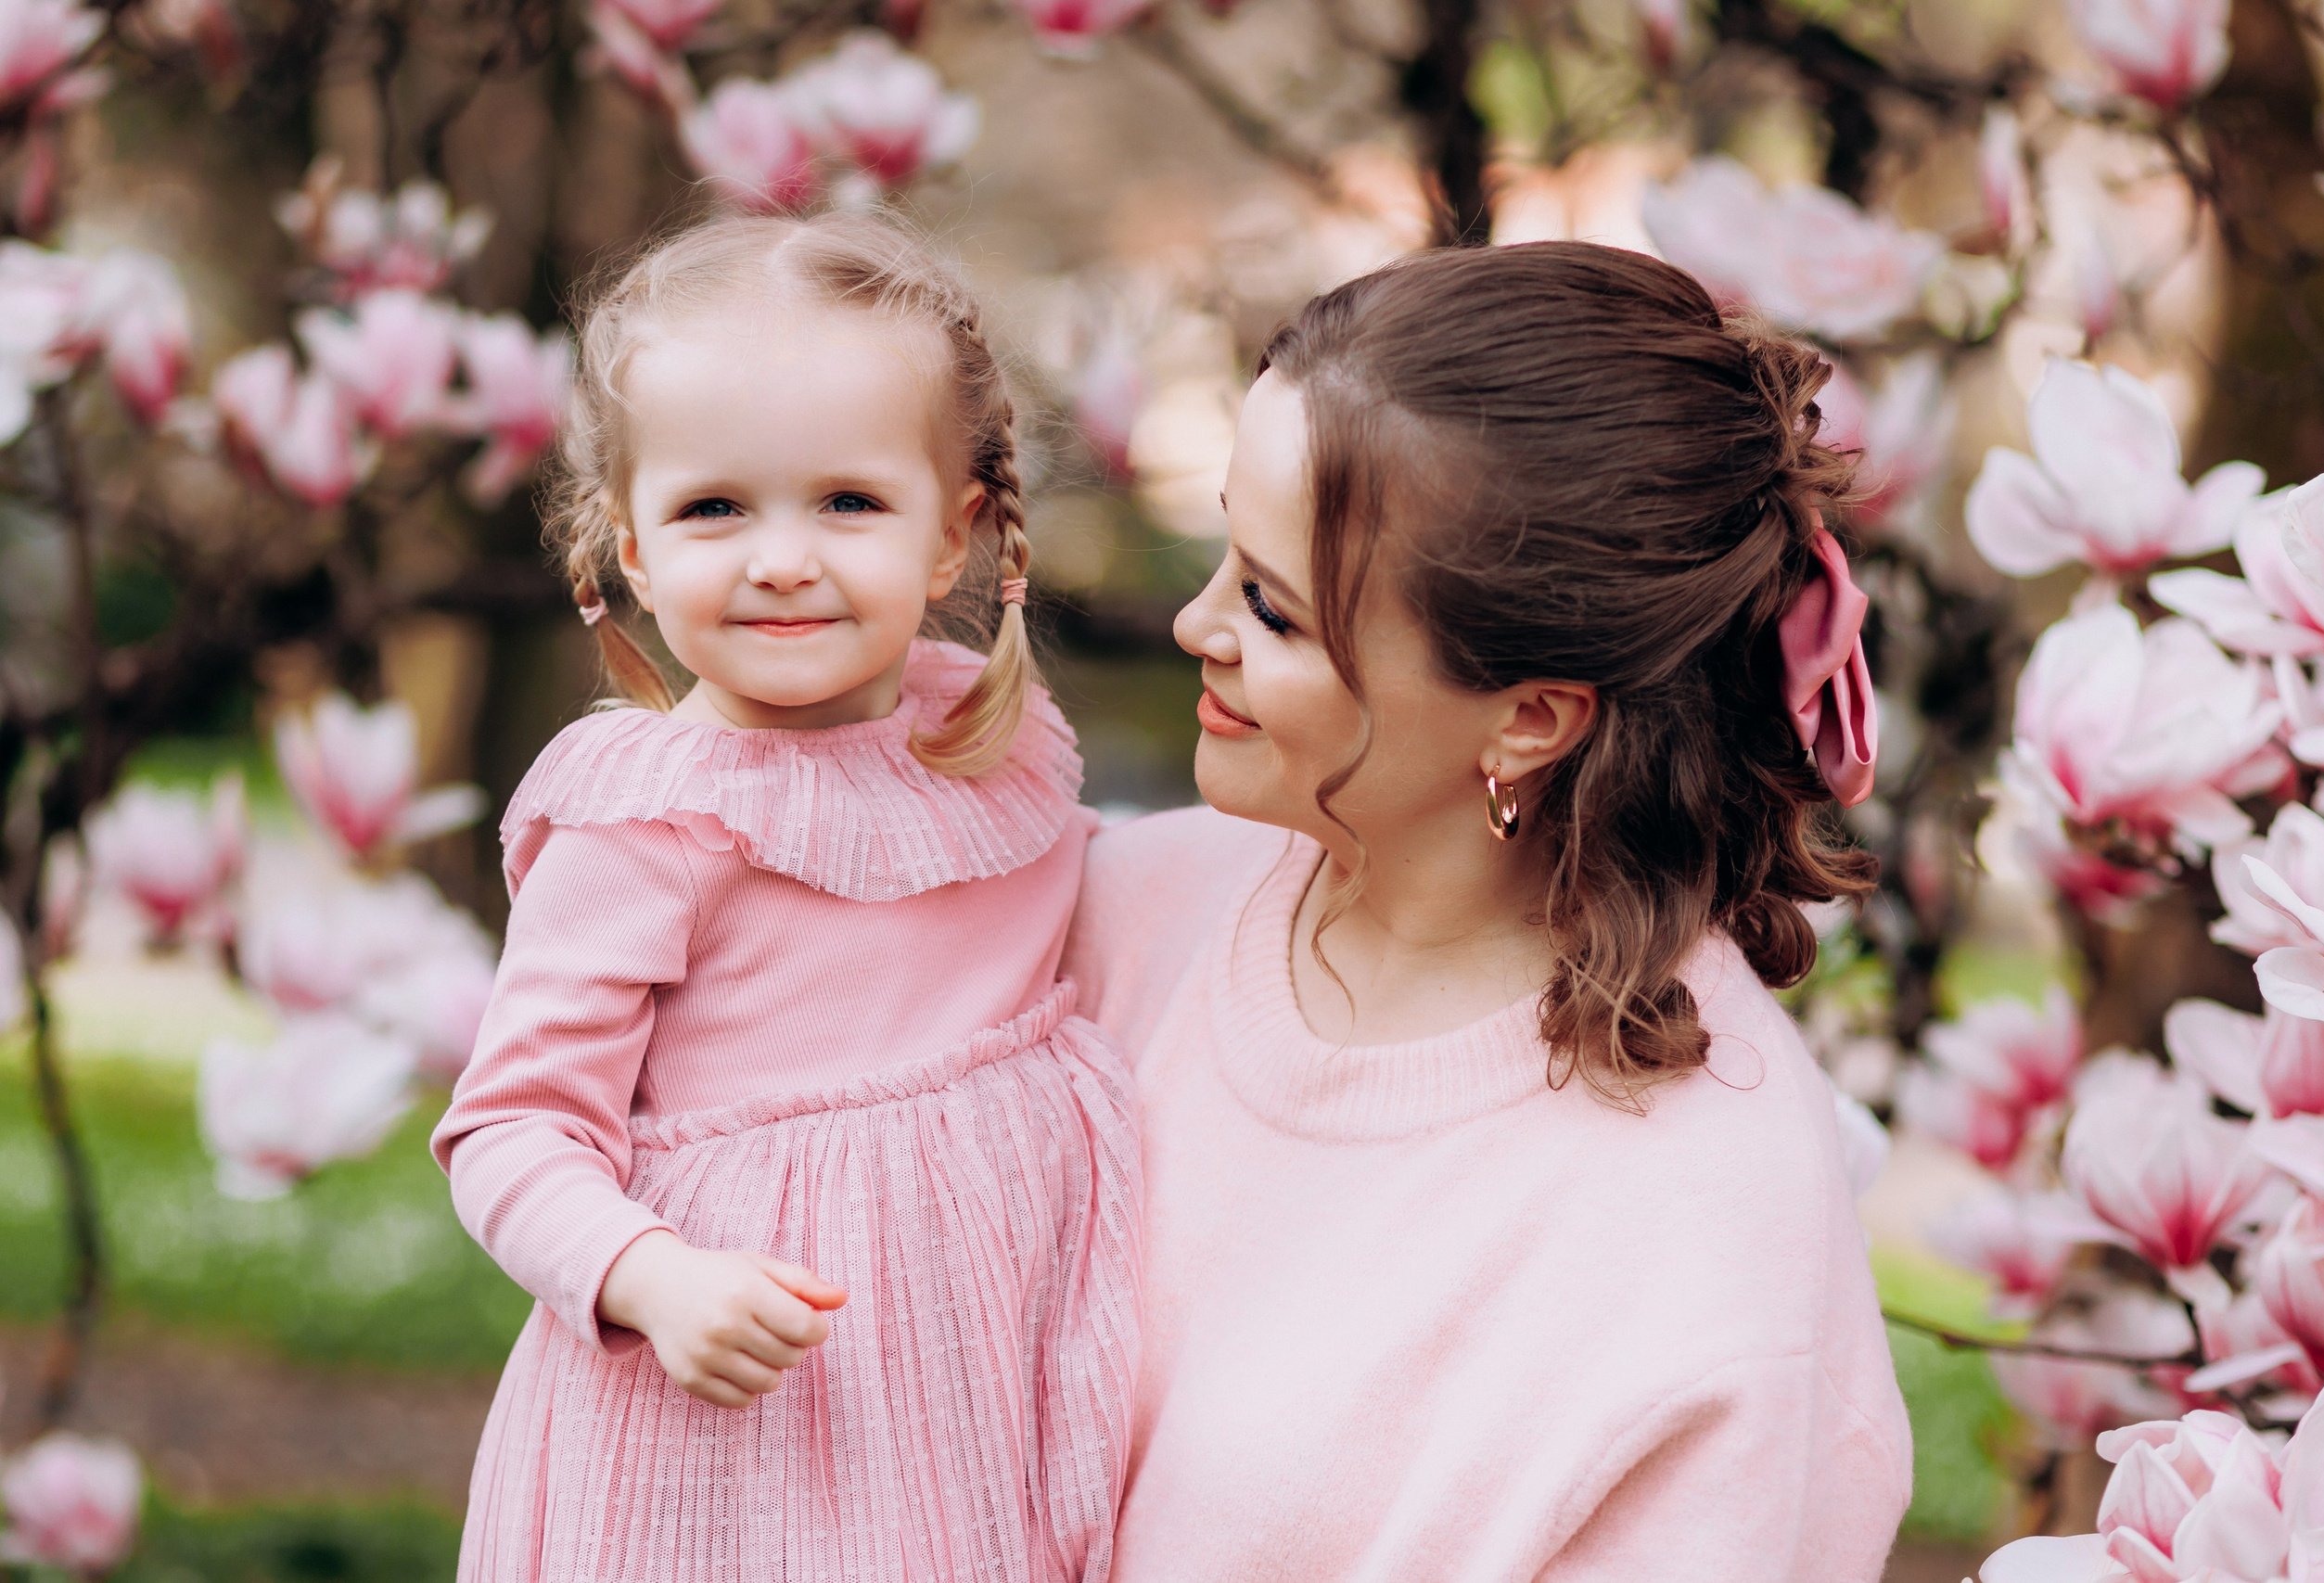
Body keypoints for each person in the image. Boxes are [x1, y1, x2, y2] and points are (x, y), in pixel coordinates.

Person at [1062, 241, 1912, 1580]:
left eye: (1274, 610)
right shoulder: (1109, 915)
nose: (1194, 624)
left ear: (1528, 718)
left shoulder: (1704, 1241)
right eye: (1228, 550)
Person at [431, 212, 1138, 1583]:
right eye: (714, 508)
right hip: (734, 1421)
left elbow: (1127, 919)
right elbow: (512, 1128)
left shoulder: (989, 753)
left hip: (972, 1382)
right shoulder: (648, 820)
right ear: (633, 550)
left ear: (954, 536)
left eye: (848, 502)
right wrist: (650, 1276)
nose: (781, 559)